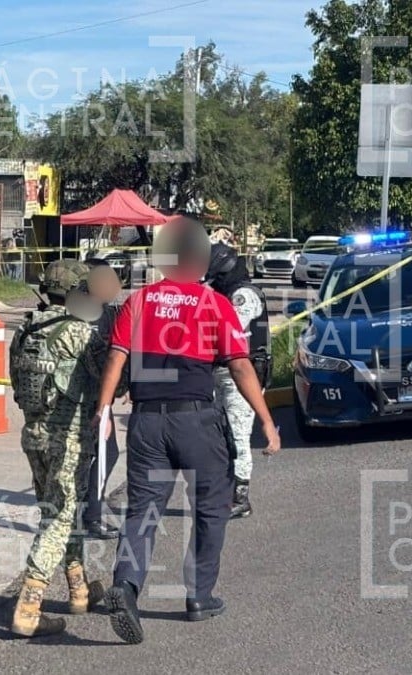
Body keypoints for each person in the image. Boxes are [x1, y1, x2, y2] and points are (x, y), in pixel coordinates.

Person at [94, 215, 281, 645]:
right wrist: (267, 421)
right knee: (212, 507)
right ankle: (199, 596)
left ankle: (126, 584)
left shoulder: (138, 302)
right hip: (195, 419)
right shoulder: (214, 304)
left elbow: (117, 357)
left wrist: (103, 410)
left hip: (145, 421)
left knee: (143, 510)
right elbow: (239, 365)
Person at [7, 259, 109, 637]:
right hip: (67, 438)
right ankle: (29, 606)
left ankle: (78, 589)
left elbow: (16, 384)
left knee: (67, 511)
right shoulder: (79, 333)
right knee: (59, 518)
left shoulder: (25, 331)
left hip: (34, 435)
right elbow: (110, 378)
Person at [203, 242, 270, 520]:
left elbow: (228, 331)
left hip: (242, 375)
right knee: (224, 433)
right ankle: (227, 490)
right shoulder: (225, 293)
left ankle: (240, 498)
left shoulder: (243, 294)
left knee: (239, 433)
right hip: (225, 373)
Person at [82, 261, 126, 539]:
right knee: (103, 454)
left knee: (103, 454)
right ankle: (92, 516)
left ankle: (87, 510)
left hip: (99, 397)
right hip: (89, 398)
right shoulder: (87, 315)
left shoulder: (107, 312)